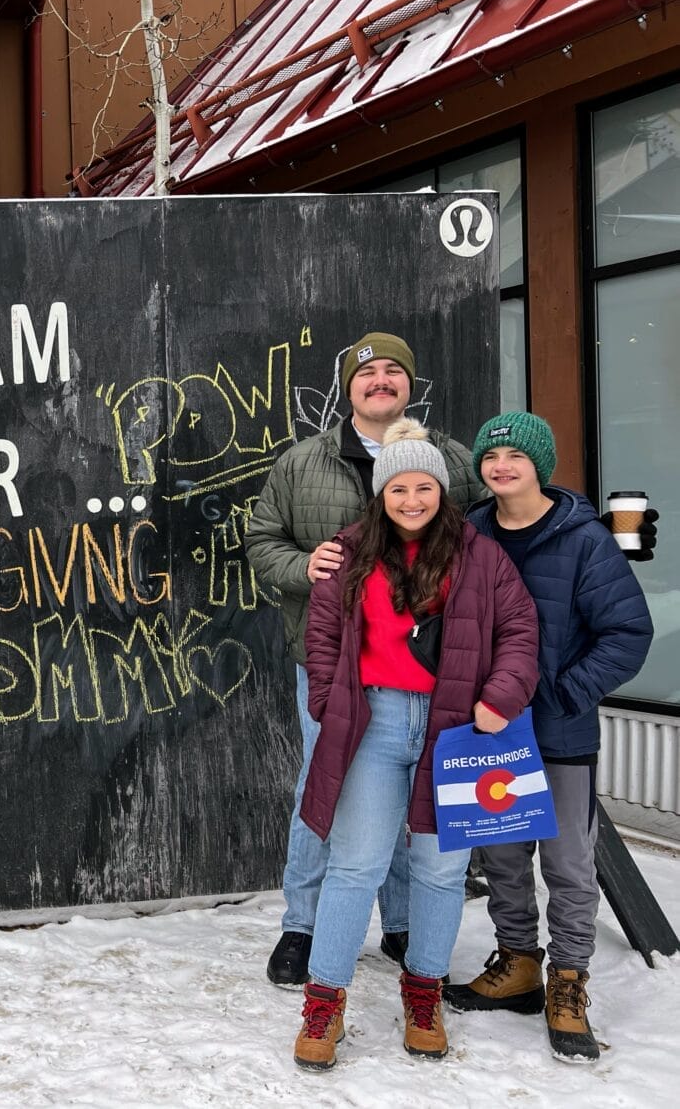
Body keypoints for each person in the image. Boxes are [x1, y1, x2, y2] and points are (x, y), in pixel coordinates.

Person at [292, 419, 538, 1070]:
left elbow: (519, 629)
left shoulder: (479, 554)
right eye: (398, 486)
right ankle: (324, 999)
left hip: (455, 725)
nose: (411, 498)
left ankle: (423, 990)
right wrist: (326, 701)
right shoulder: (349, 550)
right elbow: (321, 635)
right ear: (381, 491)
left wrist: (500, 698)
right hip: (371, 723)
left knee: (440, 869)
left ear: (439, 489)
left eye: (422, 485)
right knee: (356, 864)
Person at [247, 331, 482, 986]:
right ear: (348, 388)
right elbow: (262, 539)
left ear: (409, 384)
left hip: (429, 670)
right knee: (324, 787)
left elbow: (488, 539)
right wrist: (302, 563)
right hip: (333, 667)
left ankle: (403, 920)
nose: (380, 380)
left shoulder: (451, 460)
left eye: (392, 371)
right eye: (367, 372)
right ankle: (304, 923)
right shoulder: (303, 463)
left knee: (416, 789)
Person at [445, 412, 653, 1063]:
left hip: (560, 731)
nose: (502, 465)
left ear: (542, 462)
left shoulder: (582, 538)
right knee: (503, 857)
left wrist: (564, 691)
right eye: (491, 454)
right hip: (491, 730)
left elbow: (628, 633)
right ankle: (518, 965)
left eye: (516, 454)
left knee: (567, 862)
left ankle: (567, 980)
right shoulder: (471, 530)